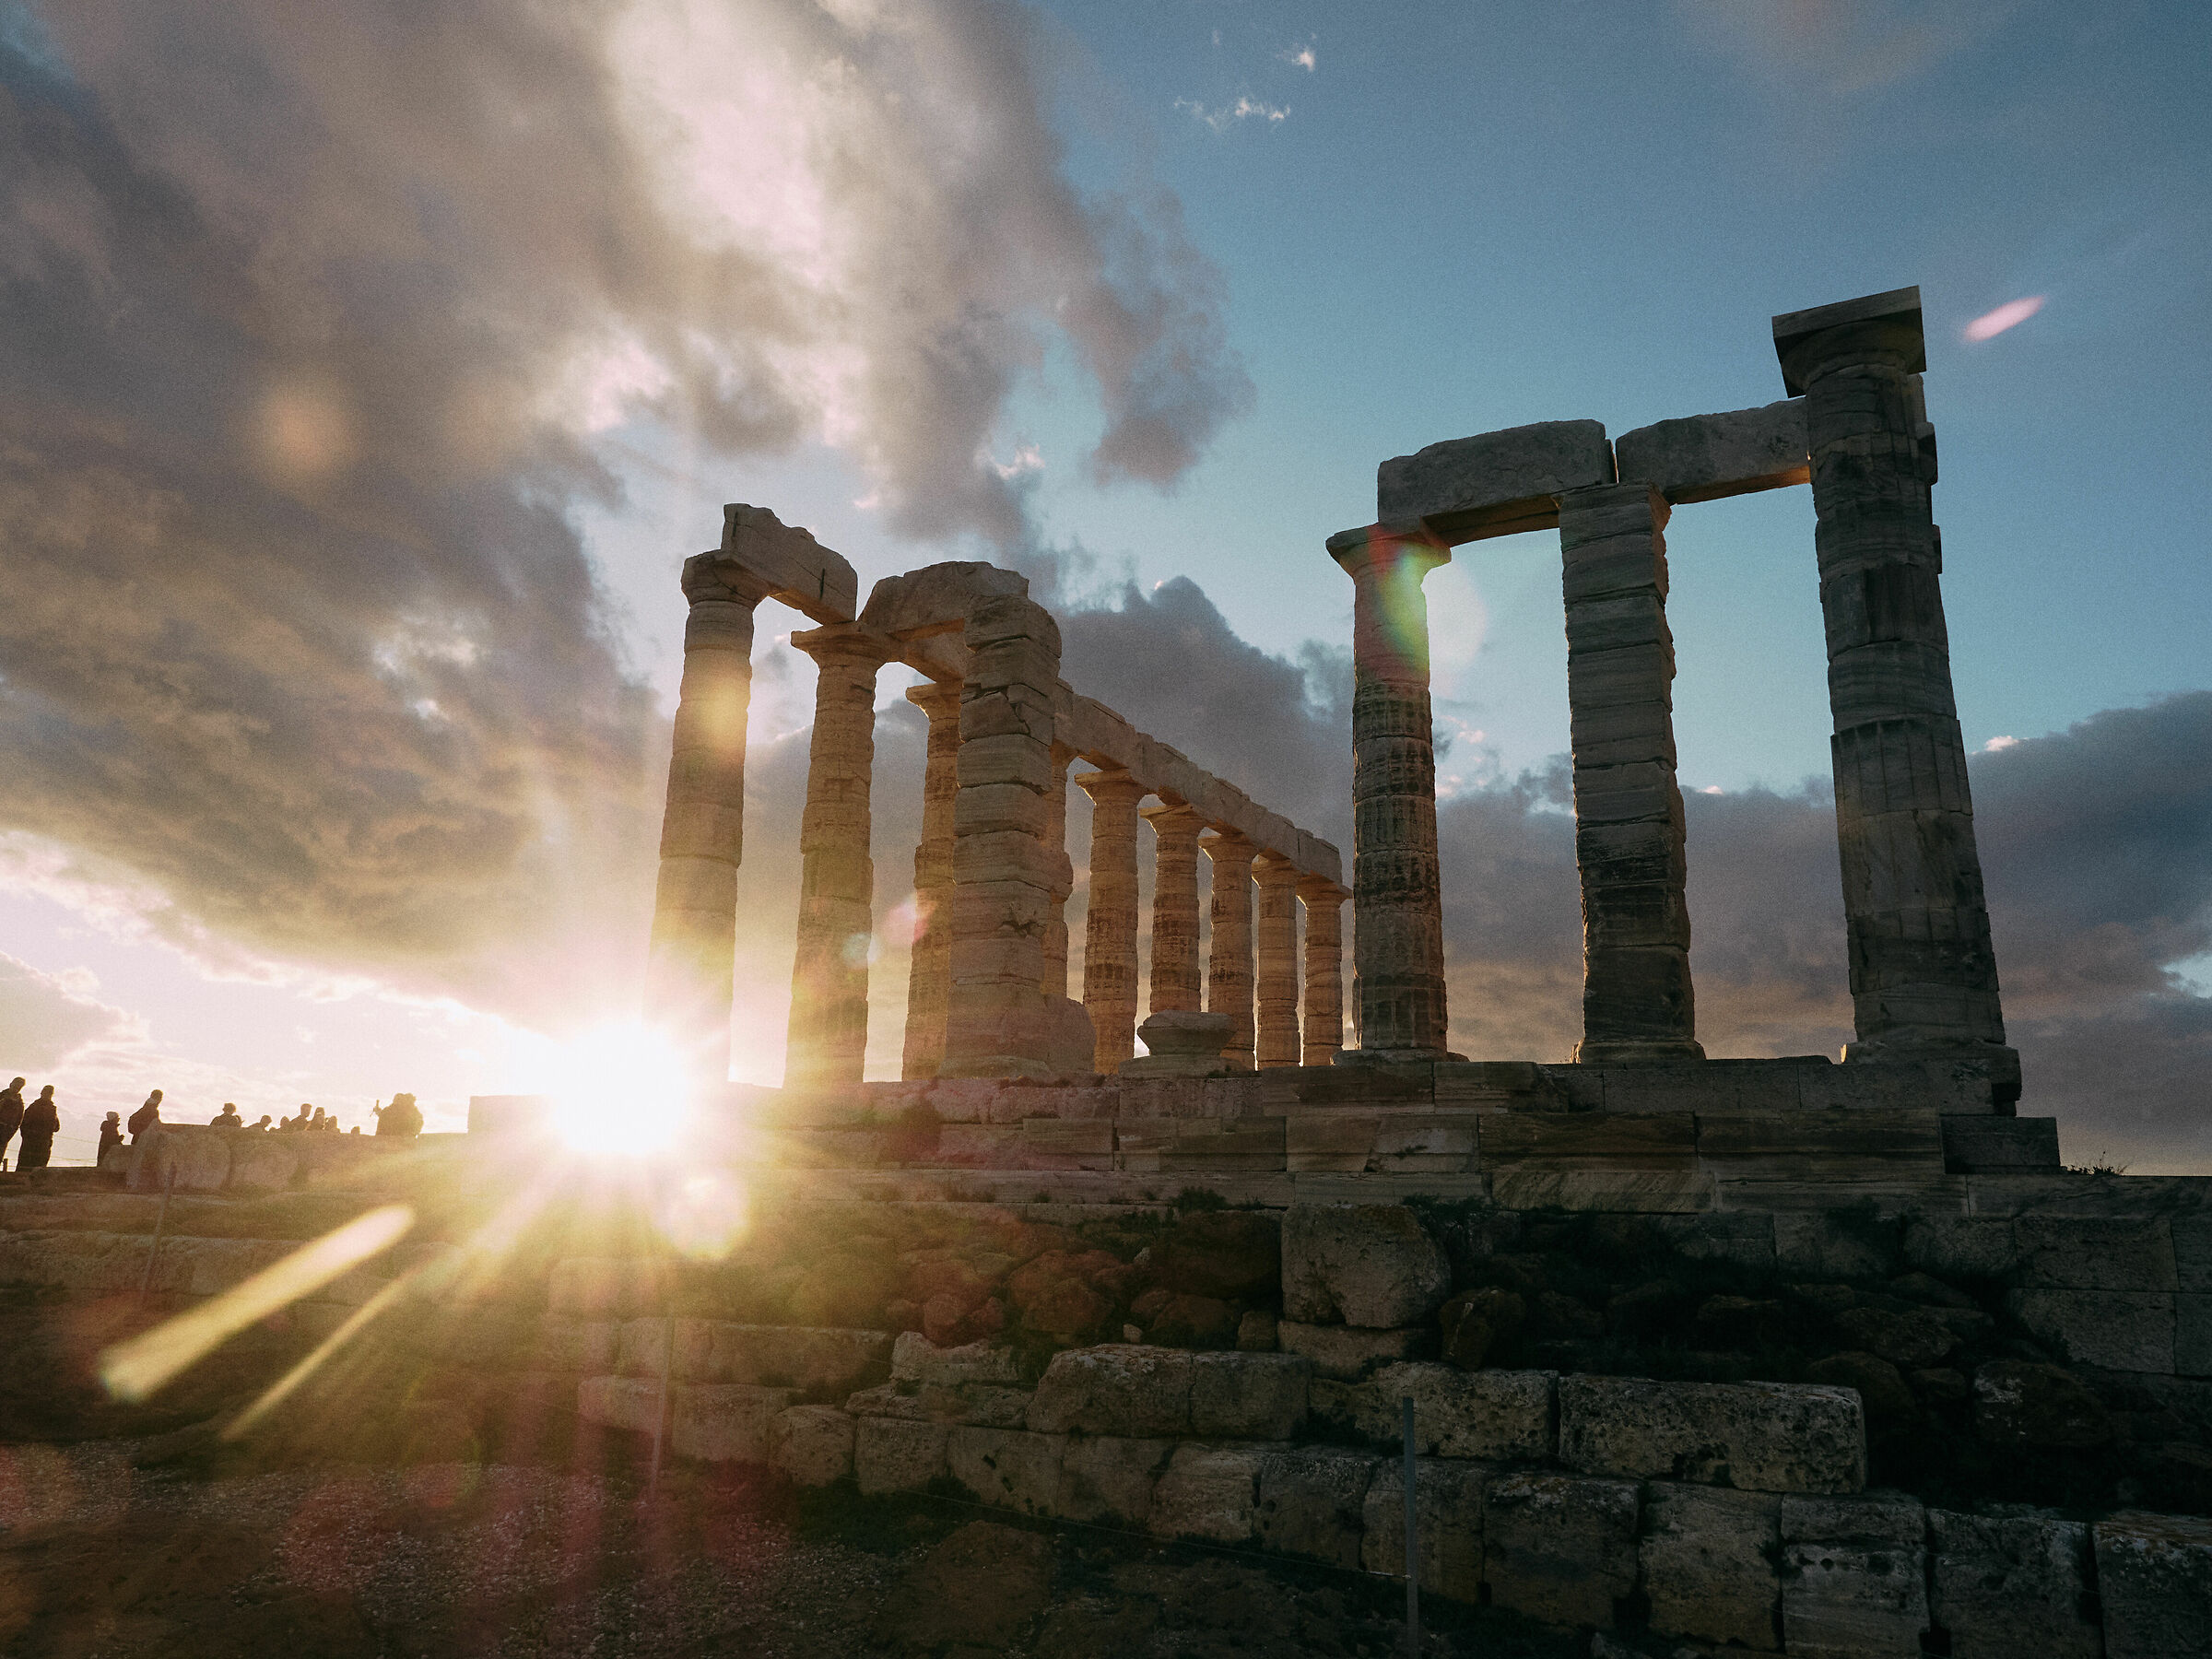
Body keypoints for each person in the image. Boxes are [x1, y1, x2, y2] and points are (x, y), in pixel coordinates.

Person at [18, 1086, 60, 1171]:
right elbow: (24, 1123)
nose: (47, 1095)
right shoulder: (34, 1107)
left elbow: (56, 1127)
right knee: (27, 1166)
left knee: (38, 1167)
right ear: (42, 1093)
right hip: (33, 1142)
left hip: (43, 1142)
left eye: (49, 1093)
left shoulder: (51, 1109)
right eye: (47, 1093)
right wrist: (27, 1136)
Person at [0, 1077, 24, 1171]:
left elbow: (18, 1121)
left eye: (19, 1087)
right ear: (11, 1084)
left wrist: (10, 1133)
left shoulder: (19, 1103)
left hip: (6, 1132)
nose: (16, 1088)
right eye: (16, 1085)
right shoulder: (2, 1096)